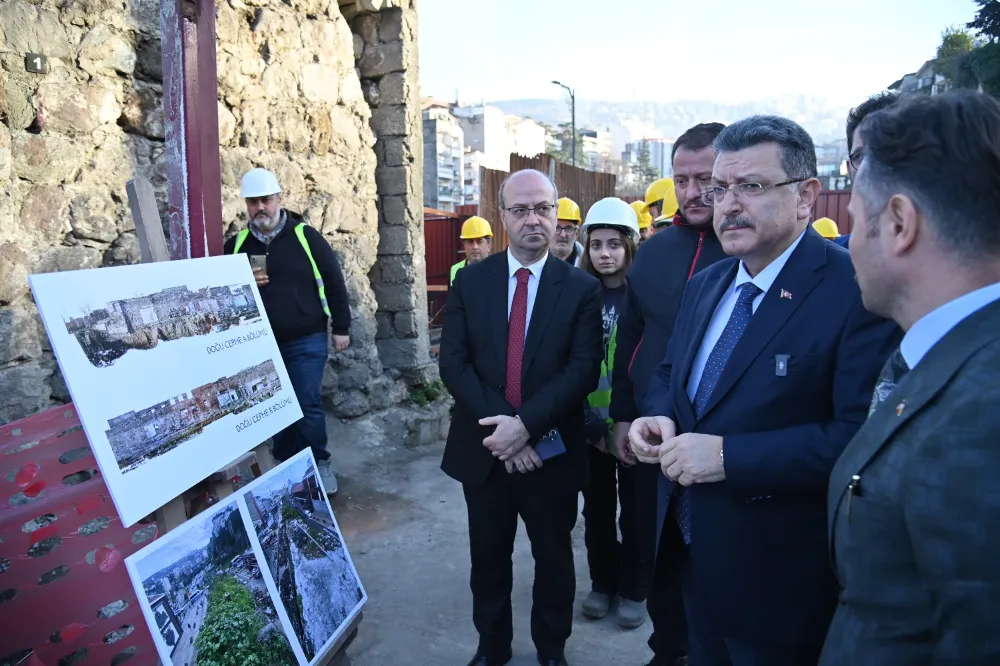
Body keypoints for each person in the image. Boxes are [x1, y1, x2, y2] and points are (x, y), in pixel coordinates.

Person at [629, 115, 899, 666]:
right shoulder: (709, 284)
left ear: (806, 197)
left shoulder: (853, 292)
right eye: (719, 188)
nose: (727, 204)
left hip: (779, 581)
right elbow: (669, 374)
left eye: (750, 187)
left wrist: (731, 457)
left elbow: (861, 441)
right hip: (688, 552)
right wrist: (655, 418)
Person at [822, 91, 1000, 665]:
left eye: (855, 221)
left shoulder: (982, 417)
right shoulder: (958, 359)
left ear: (898, 223)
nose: (849, 245)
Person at [439, 169, 603, 666]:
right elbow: (454, 363)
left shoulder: (580, 289)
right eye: (521, 210)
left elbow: (582, 372)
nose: (534, 220)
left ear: (557, 213)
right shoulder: (471, 282)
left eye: (544, 209)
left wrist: (527, 426)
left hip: (549, 452)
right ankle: (493, 648)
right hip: (485, 449)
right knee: (488, 560)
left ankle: (551, 650)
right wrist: (506, 431)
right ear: (503, 216)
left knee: (554, 559)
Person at [609, 122, 729, 666]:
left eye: (705, 177)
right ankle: (667, 650)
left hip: (724, 442)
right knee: (655, 550)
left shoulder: (748, 247)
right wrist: (619, 417)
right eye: (682, 178)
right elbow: (630, 342)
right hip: (651, 433)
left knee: (718, 561)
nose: (693, 191)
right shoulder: (655, 253)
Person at [225, 168, 351, 493]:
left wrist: (341, 327)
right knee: (276, 406)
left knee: (306, 401)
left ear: (279, 199)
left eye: (266, 200)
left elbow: (335, 282)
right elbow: (222, 294)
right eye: (253, 202)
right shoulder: (237, 244)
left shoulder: (305, 237)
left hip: (307, 339)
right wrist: (242, 281)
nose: (261, 208)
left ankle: (319, 464)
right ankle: (285, 465)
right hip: (261, 345)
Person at [577, 198, 646, 629]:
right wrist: (591, 426)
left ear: (630, 248)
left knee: (637, 510)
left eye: (614, 245)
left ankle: (636, 588)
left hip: (634, 425)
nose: (605, 253)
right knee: (597, 511)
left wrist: (629, 422)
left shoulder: (643, 295)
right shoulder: (579, 295)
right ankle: (603, 583)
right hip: (590, 428)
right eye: (597, 244)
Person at [839, 91, 901, 249]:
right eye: (860, 156)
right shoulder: (831, 260)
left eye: (883, 153)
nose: (868, 167)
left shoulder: (951, 260)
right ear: (849, 169)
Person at [451, 216, 494, 285]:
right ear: (464, 245)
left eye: (479, 241)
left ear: (489, 245)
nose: (475, 247)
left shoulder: (499, 269)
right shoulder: (454, 270)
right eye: (470, 242)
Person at [551, 197, 585, 266]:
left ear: (577, 233)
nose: (563, 235)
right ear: (548, 231)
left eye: (569, 228)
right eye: (557, 228)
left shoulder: (587, 267)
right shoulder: (533, 263)